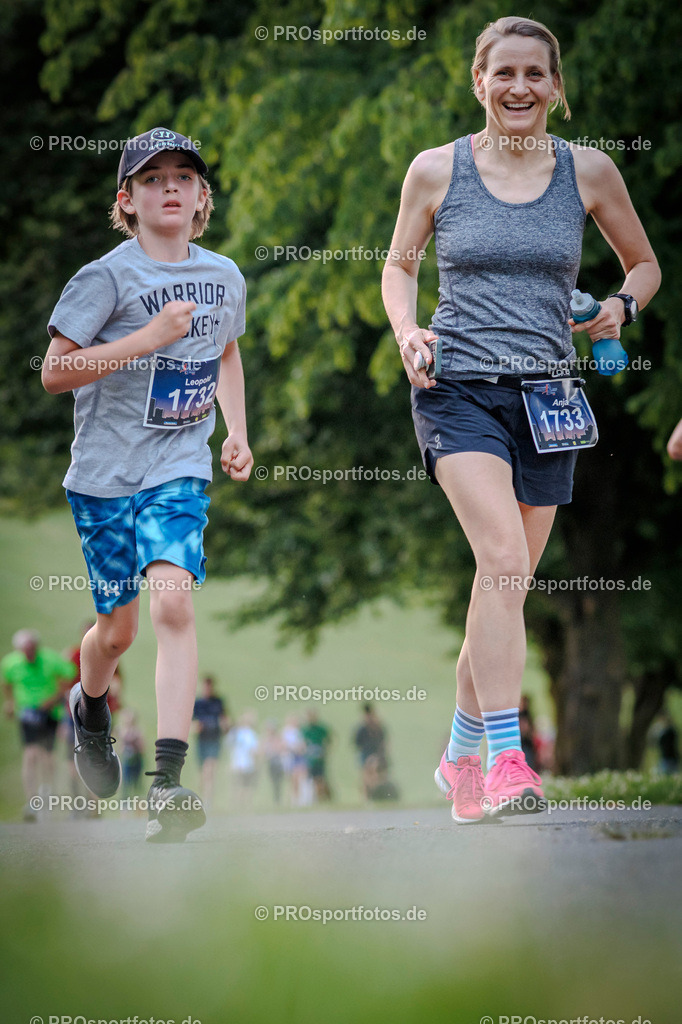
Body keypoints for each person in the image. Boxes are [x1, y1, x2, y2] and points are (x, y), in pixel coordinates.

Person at [382, 16, 660, 822]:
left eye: (536, 74)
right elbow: (398, 267)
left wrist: (617, 309)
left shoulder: (591, 171)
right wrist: (408, 331)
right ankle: (508, 760)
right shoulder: (437, 171)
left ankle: (459, 755)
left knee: (504, 583)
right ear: (479, 81)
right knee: (502, 557)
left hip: (551, 400)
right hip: (456, 387)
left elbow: (646, 264)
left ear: (556, 85)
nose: (520, 89)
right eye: (504, 73)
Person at [42, 127, 253, 842]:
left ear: (201, 197)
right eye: (153, 177)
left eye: (184, 177)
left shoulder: (225, 275)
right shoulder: (105, 277)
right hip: (104, 478)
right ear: (126, 200)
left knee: (173, 606)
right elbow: (53, 372)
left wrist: (237, 432)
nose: (170, 186)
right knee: (117, 630)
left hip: (179, 465)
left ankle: (167, 782)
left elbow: (225, 351)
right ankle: (89, 705)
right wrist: (147, 339)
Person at [1, 629, 76, 820]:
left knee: (47, 756)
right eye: (25, 650)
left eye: (31, 649)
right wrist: (10, 702)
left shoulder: (50, 659)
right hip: (27, 714)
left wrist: (54, 698)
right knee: (30, 754)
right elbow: (6, 683)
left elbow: (69, 677)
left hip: (49, 713)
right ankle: (31, 800)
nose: (29, 654)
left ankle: (48, 793)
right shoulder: (11, 663)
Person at [192, 674, 230, 808]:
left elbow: (225, 718)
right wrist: (197, 727)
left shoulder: (218, 702)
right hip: (202, 741)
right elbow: (192, 724)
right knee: (203, 773)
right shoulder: (198, 703)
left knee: (210, 769)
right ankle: (202, 797)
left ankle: (209, 801)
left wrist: (225, 725)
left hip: (215, 740)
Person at [353, 703, 389, 799]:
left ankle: (380, 796)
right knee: (366, 778)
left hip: (377, 755)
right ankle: (367, 798)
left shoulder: (377, 727)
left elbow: (383, 742)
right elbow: (357, 743)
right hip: (365, 754)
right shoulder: (362, 729)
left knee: (379, 777)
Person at [227, 711, 260, 812]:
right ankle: (240, 805)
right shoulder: (242, 733)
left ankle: (242, 805)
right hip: (241, 764)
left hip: (244, 764)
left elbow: (254, 750)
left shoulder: (246, 733)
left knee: (244, 786)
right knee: (242, 786)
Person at [301, 709, 332, 802]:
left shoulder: (321, 729)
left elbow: (329, 740)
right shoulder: (305, 730)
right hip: (310, 760)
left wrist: (326, 751)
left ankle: (322, 798)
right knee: (313, 781)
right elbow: (303, 743)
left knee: (320, 780)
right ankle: (316, 799)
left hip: (319, 759)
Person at [119, 708, 146, 799]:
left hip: (136, 760)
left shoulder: (137, 732)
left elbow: (142, 748)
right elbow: (121, 747)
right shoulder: (122, 732)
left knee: (137, 783)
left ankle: (138, 804)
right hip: (127, 761)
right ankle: (125, 807)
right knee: (126, 784)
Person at [260, 721, 286, 805]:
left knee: (278, 782)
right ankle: (274, 799)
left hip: (278, 763)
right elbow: (263, 751)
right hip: (270, 764)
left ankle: (278, 799)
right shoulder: (266, 739)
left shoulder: (278, 738)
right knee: (273, 782)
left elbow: (281, 749)